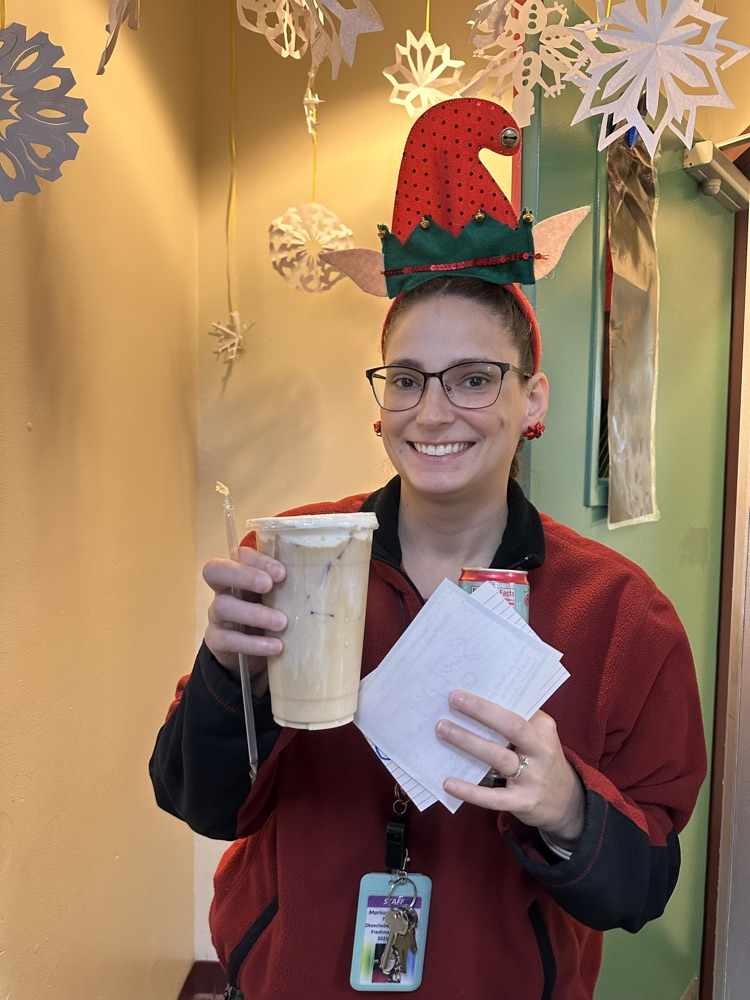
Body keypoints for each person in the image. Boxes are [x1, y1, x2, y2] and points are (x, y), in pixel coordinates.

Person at [150, 99, 706, 1000]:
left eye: (475, 378)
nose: (435, 412)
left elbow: (642, 887)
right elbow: (197, 802)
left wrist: (568, 805)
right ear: (380, 405)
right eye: (407, 380)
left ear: (534, 402)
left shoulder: (622, 615)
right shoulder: (290, 561)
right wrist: (228, 675)